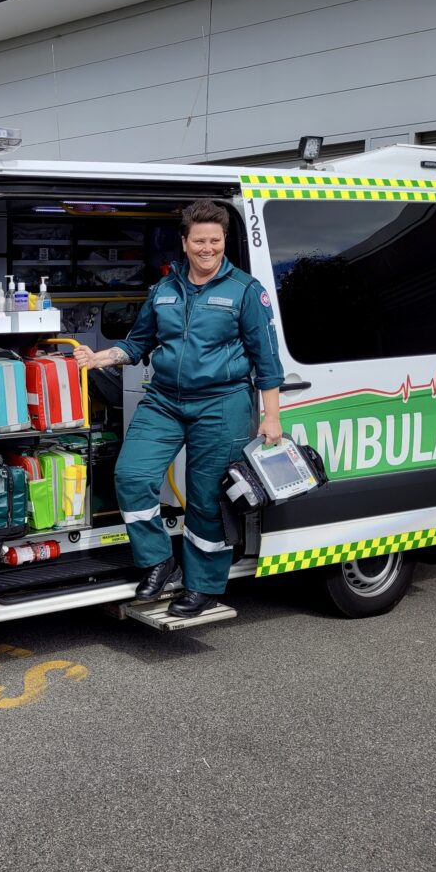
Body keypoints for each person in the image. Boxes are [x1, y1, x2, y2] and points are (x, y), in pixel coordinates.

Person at [74, 200, 284, 618]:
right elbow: (138, 343)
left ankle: (203, 585)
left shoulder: (245, 290)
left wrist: (271, 415)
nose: (209, 248)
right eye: (200, 241)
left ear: (224, 242)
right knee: (132, 474)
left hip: (222, 404)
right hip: (164, 400)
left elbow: (267, 359)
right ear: (185, 243)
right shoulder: (163, 290)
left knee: (206, 499)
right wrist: (102, 358)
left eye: (216, 241)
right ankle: (158, 561)